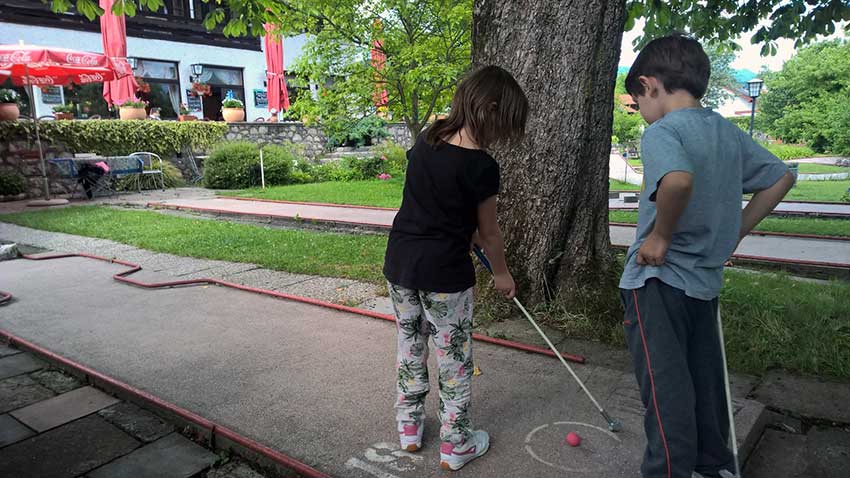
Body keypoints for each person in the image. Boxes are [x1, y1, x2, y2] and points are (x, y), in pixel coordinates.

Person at [619, 34, 795, 478]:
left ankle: (669, 470)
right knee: (704, 378)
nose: (642, 116)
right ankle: (713, 464)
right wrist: (735, 231)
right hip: (703, 282)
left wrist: (659, 237)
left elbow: (676, 181)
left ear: (650, 85)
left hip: (656, 283)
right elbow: (780, 177)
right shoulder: (725, 131)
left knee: (665, 389)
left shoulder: (664, 131)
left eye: (639, 104)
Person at [383, 65, 528, 471]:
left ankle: (409, 428)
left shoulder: (427, 138)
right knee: (454, 358)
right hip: (445, 274)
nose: (501, 135)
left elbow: (433, 201)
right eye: (503, 125)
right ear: (490, 109)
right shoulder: (482, 166)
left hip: (401, 262)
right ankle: (456, 443)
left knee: (411, 345)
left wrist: (464, 230)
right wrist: (501, 273)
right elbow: (490, 233)